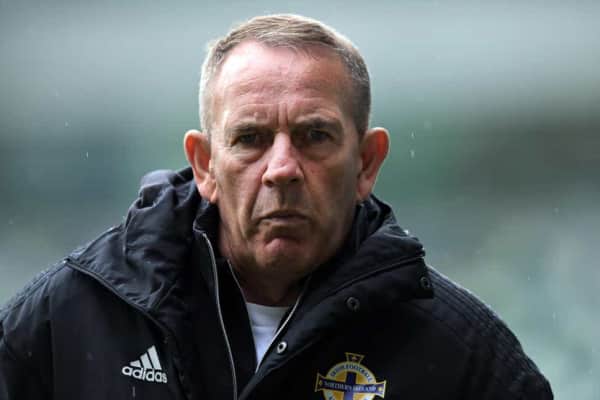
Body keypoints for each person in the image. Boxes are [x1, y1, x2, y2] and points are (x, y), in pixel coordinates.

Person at [0, 14, 552, 400]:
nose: (282, 168)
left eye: (314, 136)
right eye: (251, 138)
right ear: (205, 165)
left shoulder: (464, 357)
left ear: (366, 162)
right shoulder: (63, 324)